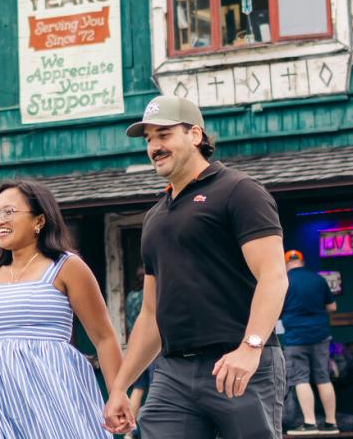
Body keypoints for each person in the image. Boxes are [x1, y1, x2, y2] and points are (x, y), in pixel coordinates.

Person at [103, 95, 289, 438]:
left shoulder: (239, 191)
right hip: (173, 374)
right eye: (148, 140)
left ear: (195, 135)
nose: (154, 147)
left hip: (238, 363)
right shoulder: (154, 217)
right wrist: (120, 387)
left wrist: (250, 348)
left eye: (163, 135)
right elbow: (150, 314)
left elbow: (274, 276)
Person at [0, 180, 124, 438]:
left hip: (54, 390)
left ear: (39, 220)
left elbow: (104, 337)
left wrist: (117, 394)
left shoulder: (67, 266)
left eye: (9, 212)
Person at [281, 249, 339, 435]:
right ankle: (331, 424)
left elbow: (275, 309)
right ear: (303, 261)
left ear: (285, 263)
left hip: (295, 338)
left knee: (300, 379)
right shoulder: (318, 279)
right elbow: (332, 307)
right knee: (323, 378)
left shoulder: (284, 281)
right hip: (320, 336)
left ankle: (310, 424)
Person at [125, 266, 153, 438]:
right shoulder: (148, 296)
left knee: (139, 387)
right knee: (157, 387)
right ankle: (150, 427)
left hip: (135, 348)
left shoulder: (130, 297)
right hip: (152, 348)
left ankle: (129, 433)